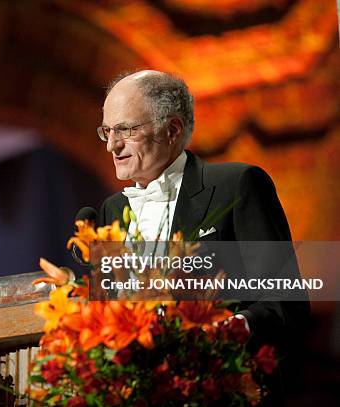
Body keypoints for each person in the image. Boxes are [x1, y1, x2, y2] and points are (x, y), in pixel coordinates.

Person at [96, 70, 310, 403]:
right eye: (108, 131)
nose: (112, 144)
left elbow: (285, 304)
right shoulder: (111, 212)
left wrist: (218, 336)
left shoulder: (236, 185)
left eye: (126, 129)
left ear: (172, 129)